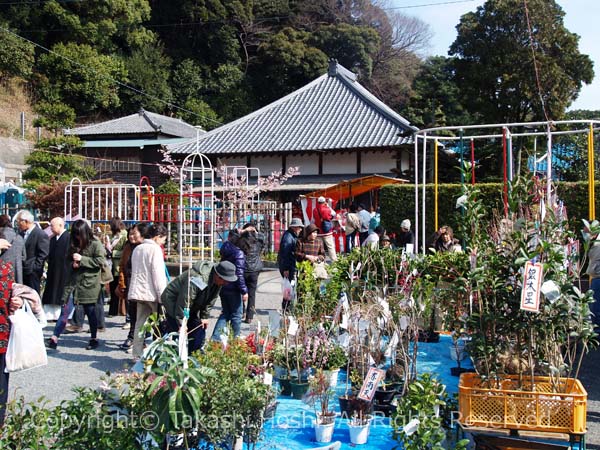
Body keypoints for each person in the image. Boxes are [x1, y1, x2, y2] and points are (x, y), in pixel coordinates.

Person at [46, 219, 106, 351]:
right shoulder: (73, 243)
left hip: (89, 283)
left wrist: (82, 260)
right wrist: (72, 263)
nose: (77, 237)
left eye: (79, 234)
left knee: (90, 311)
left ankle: (94, 338)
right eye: (75, 234)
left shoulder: (95, 243)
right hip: (73, 282)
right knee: (65, 310)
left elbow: (101, 261)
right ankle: (54, 338)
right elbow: (68, 259)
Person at [161, 260, 237, 352]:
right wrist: (182, 323)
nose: (227, 284)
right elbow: (186, 300)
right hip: (173, 300)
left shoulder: (219, 281)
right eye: (225, 281)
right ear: (218, 276)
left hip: (190, 303)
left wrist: (204, 317)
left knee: (198, 331)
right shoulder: (199, 278)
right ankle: (173, 352)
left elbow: (212, 298)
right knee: (178, 330)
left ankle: (191, 355)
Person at [128, 223, 168, 360]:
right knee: (159, 324)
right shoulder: (155, 250)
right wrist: (163, 296)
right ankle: (158, 353)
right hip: (152, 293)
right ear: (157, 237)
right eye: (163, 240)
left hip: (138, 291)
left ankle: (137, 353)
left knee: (140, 323)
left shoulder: (138, 249)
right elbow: (158, 276)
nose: (163, 243)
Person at [116, 223, 149, 351]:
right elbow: (122, 266)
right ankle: (132, 337)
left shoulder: (146, 248)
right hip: (130, 282)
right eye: (130, 234)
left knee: (143, 313)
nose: (131, 236)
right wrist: (122, 283)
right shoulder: (128, 247)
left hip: (143, 284)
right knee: (133, 312)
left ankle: (142, 339)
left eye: (134, 233)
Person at [212, 230, 248, 342]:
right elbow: (239, 274)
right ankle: (235, 338)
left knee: (226, 313)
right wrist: (244, 290)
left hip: (223, 285)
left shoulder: (226, 249)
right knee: (237, 314)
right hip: (234, 287)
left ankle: (216, 338)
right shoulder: (239, 253)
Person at [41, 217, 70, 321]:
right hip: (53, 269)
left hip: (64, 270)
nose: (51, 228)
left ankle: (60, 315)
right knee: (51, 291)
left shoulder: (68, 237)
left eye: (52, 226)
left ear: (61, 225)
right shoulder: (53, 239)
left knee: (61, 293)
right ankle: (50, 315)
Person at [15, 210, 49, 293]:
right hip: (22, 271)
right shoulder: (21, 234)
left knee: (32, 296)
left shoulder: (40, 234)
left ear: (25, 221)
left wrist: (35, 268)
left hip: (32, 272)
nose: (18, 224)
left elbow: (43, 253)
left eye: (19, 221)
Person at [237, 222, 265, 324]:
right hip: (254, 270)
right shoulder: (258, 240)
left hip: (243, 269)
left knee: (241, 291)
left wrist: (244, 230)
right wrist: (255, 231)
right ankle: (250, 316)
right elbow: (263, 238)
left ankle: (242, 312)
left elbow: (234, 236)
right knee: (252, 293)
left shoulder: (241, 241)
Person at [277, 218, 304, 311]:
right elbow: (285, 254)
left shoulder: (290, 235)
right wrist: (286, 269)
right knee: (288, 287)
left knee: (289, 287)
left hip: (289, 265)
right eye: (299, 227)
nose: (300, 229)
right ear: (294, 227)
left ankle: (288, 306)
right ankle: (286, 308)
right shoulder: (288, 237)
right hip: (288, 266)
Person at [104, 217, 128, 317]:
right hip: (113, 265)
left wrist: (112, 252)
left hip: (119, 265)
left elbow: (125, 251)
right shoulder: (115, 235)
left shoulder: (123, 235)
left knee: (118, 287)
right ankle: (113, 310)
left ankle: (117, 310)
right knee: (113, 287)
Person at [0, 214, 25, 284]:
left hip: (2, 273)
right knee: (14, 293)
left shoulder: (1, 235)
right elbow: (24, 257)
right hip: (16, 273)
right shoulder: (19, 237)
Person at [312, 196, 337, 262]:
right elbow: (334, 214)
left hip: (319, 231)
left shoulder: (315, 209)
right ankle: (334, 260)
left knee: (319, 247)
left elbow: (314, 218)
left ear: (318, 202)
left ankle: (320, 260)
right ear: (324, 202)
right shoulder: (327, 209)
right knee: (330, 247)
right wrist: (328, 206)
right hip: (327, 231)